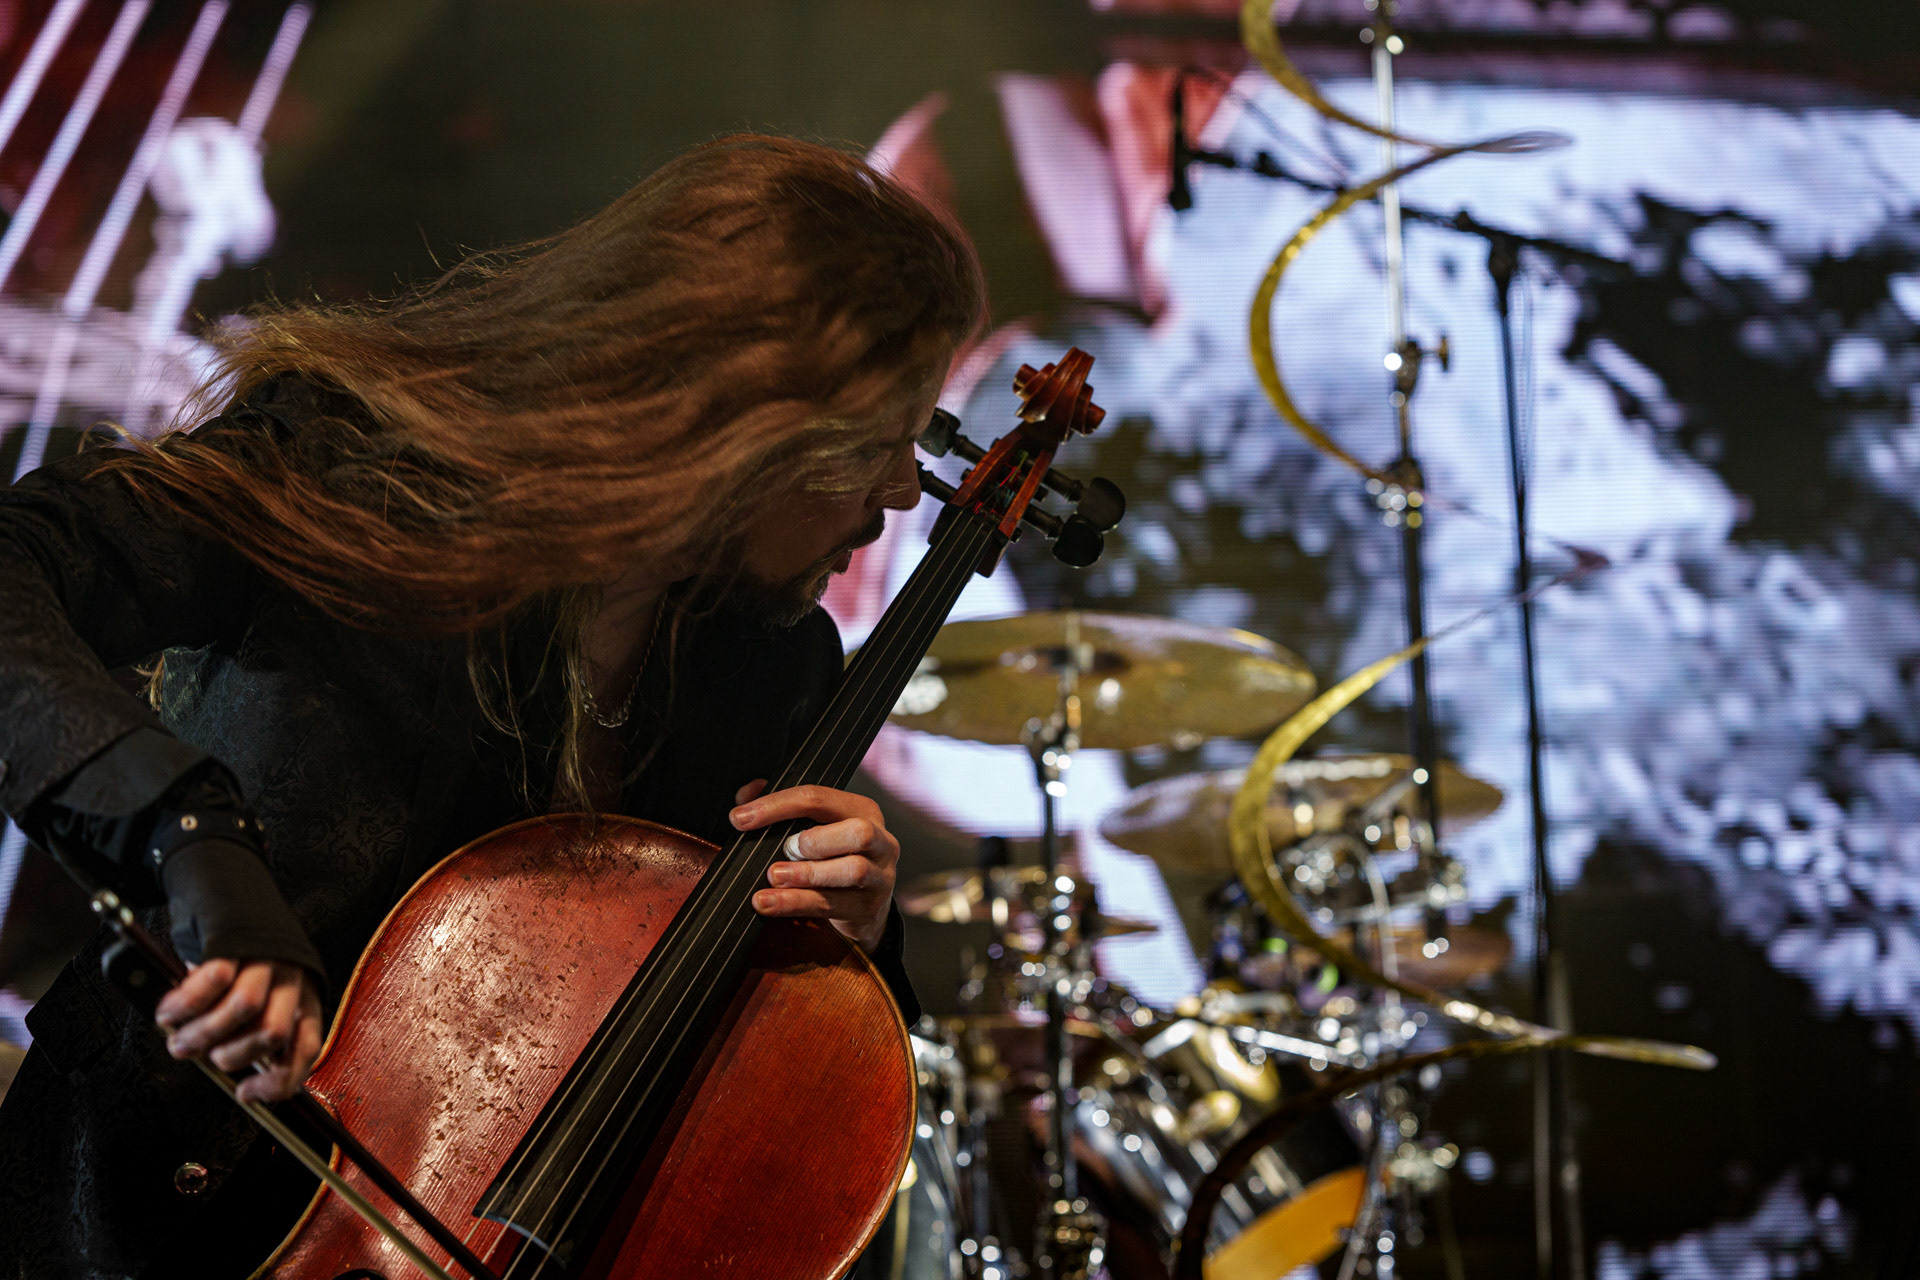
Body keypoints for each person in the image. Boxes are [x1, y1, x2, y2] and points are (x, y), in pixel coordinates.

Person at [0, 133, 984, 1278]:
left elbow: (739, 1111)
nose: (904, 491)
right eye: (876, 442)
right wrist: (192, 838)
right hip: (155, 1219)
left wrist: (850, 935)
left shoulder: (775, 666)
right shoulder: (350, 472)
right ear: (743, 428)